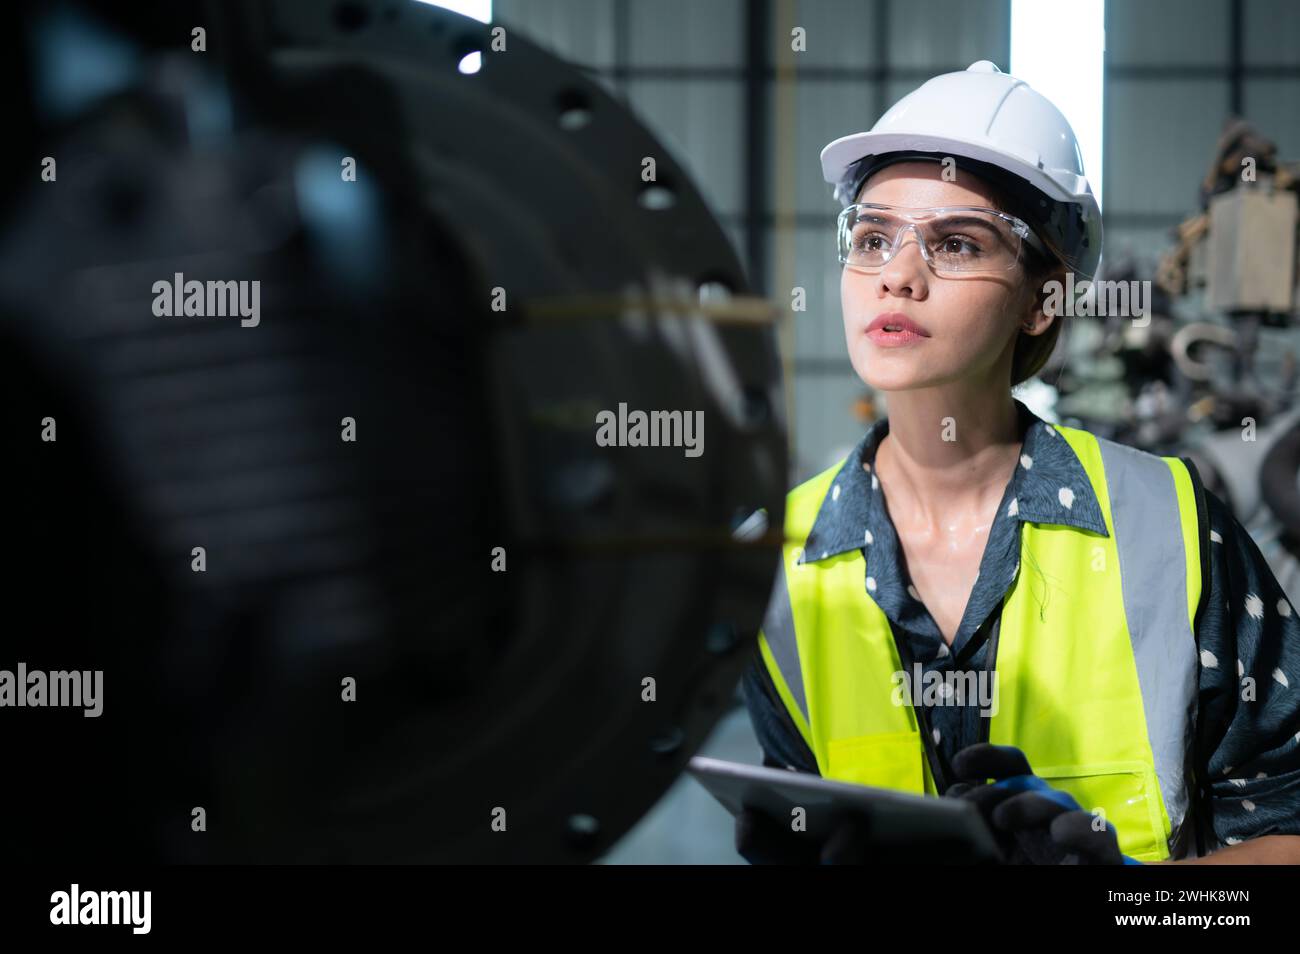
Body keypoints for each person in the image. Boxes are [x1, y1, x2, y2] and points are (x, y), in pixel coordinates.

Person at [738, 61, 1300, 865]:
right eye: (871, 237)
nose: (897, 273)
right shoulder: (782, 563)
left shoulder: (1169, 529)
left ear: (1044, 299)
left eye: (956, 243)